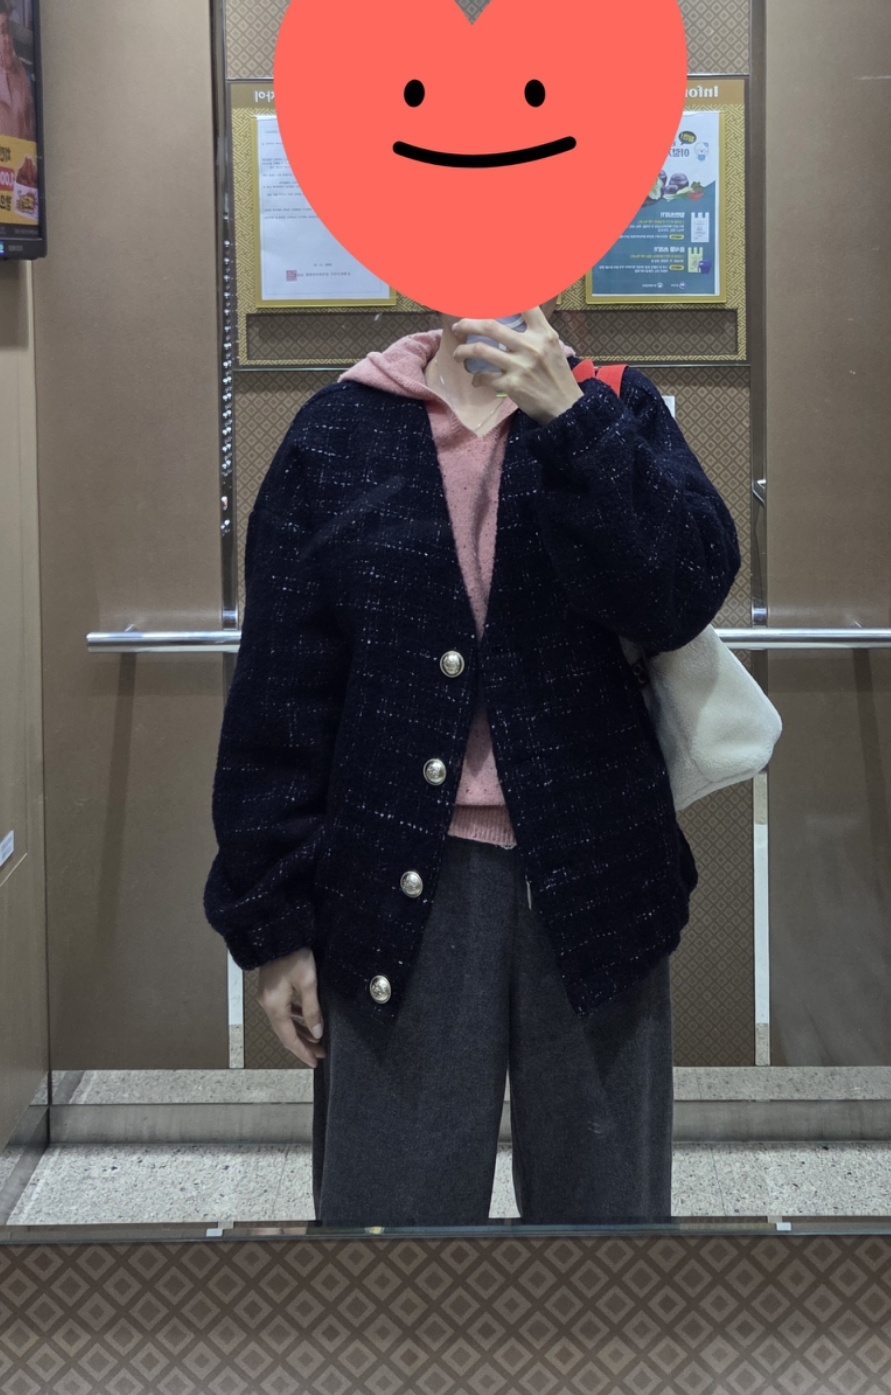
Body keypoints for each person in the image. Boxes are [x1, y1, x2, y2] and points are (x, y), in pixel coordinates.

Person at [205, 306, 739, 1226]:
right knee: (392, 1235)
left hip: (599, 880)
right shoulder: (339, 431)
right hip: (393, 889)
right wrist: (274, 923)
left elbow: (683, 589)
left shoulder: (615, 407)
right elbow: (281, 693)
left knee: (608, 1239)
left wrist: (572, 420)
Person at [0, 9, 34, 140]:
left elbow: (29, 121)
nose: (7, 39)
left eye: (9, 32)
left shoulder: (22, 72)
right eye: (3, 32)